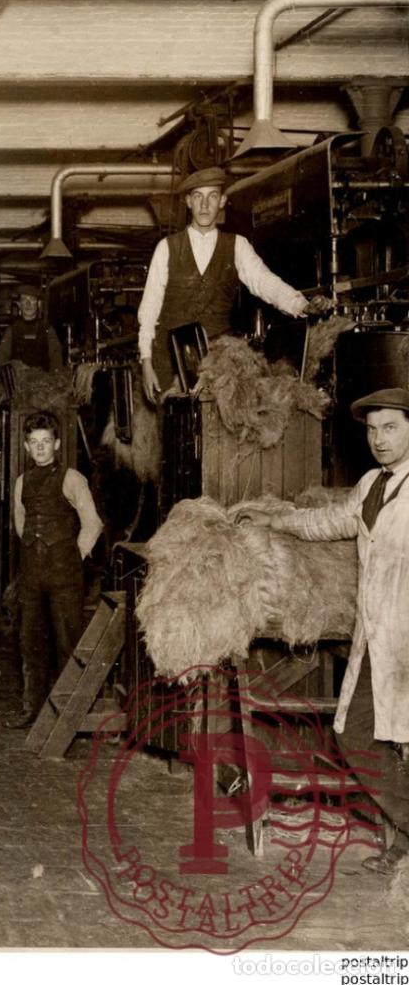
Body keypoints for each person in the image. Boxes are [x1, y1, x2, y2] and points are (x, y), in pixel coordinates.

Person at [234, 387, 409, 875]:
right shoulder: (372, 484)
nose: (379, 439)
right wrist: (277, 519)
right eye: (372, 430)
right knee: (354, 735)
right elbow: (327, 521)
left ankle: (402, 847)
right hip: (379, 637)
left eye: (390, 428)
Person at [137, 166, 329, 404]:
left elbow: (264, 282)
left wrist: (301, 305)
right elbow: (149, 311)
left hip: (219, 364)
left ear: (222, 201)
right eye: (198, 196)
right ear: (188, 201)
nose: (204, 205)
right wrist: (146, 362)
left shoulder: (237, 245)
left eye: (212, 196)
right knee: (174, 423)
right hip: (169, 360)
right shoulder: (167, 247)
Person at [9, 410, 103, 729]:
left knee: (67, 643)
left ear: (57, 444)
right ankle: (31, 709)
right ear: (26, 446)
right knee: (30, 642)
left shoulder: (72, 479)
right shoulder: (21, 482)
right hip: (32, 576)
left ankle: (67, 716)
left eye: (46, 441)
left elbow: (93, 524)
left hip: (64, 576)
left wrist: (73, 556)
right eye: (34, 442)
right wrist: (36, 551)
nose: (40, 448)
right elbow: (21, 522)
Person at [0, 285, 63, 372]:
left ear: (38, 304)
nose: (28, 304)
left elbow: (56, 357)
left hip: (43, 378)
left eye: (32, 299)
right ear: (19, 304)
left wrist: (55, 375)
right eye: (24, 300)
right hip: (19, 379)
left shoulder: (47, 329)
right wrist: (10, 370)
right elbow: (2, 356)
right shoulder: (12, 330)